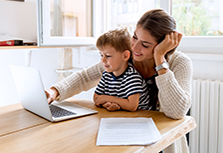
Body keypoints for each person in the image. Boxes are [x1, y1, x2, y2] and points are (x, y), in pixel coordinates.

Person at [45, 9, 192, 153]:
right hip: (126, 136)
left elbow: (177, 112)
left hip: (162, 143)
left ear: (163, 46)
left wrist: (160, 58)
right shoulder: (126, 56)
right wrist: (54, 91)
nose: (135, 47)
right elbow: (86, 77)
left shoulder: (179, 63)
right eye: (135, 37)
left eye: (145, 45)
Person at [93, 28, 150, 111]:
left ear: (125, 56)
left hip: (141, 118)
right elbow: (97, 98)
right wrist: (107, 104)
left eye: (108, 56)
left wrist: (106, 98)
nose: (103, 60)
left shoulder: (132, 77)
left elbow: (132, 106)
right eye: (101, 55)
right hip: (122, 116)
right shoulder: (106, 75)